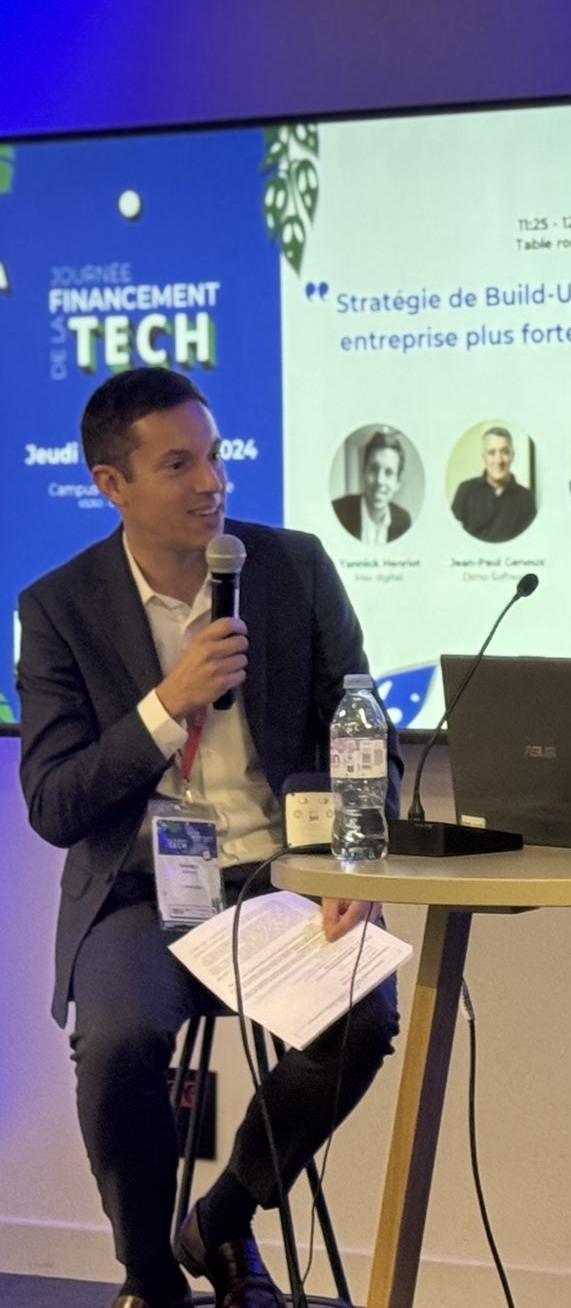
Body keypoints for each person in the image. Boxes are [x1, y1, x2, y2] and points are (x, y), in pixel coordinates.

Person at [16, 368, 401, 1308]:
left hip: (283, 874)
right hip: (140, 892)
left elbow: (362, 733)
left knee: (365, 1015)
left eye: (216, 457)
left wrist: (353, 859)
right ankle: (149, 1274)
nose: (211, 483)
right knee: (117, 1038)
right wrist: (165, 705)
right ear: (112, 485)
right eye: (179, 464)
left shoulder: (293, 568)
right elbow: (55, 803)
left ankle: (223, 1218)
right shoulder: (58, 608)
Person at [450, 425, 536, 542]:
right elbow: (453, 538)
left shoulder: (526, 498)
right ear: (484, 458)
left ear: (512, 456)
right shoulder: (465, 490)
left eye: (504, 452)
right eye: (491, 453)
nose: (498, 460)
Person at [330, 427, 412, 545]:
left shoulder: (404, 521)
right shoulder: (338, 512)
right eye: (373, 469)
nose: (379, 480)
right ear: (364, 472)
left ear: (397, 483)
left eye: (388, 472)